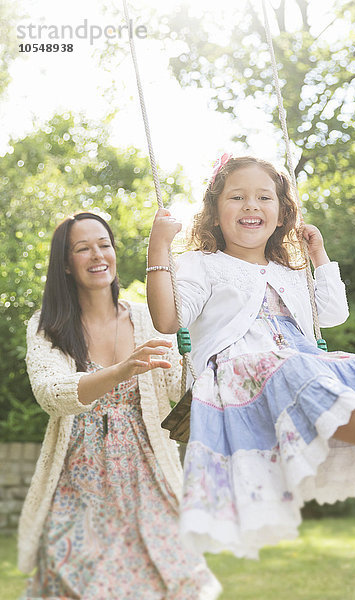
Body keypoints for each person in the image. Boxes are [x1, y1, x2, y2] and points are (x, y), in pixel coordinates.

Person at [146, 155, 355, 559]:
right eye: (237, 197)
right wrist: (159, 244)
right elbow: (167, 317)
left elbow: (333, 313)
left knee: (354, 366)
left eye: (264, 197)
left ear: (282, 214)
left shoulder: (291, 269)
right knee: (290, 367)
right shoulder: (201, 264)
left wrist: (319, 257)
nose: (251, 205)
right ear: (214, 213)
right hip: (236, 376)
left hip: (296, 366)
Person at [18, 211, 221, 599]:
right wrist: (122, 370)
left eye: (103, 244)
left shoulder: (148, 319)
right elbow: (51, 393)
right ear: (65, 263)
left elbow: (179, 391)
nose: (97, 255)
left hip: (149, 474)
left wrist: (196, 362)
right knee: (79, 582)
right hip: (80, 482)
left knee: (173, 576)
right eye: (83, 248)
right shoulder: (48, 326)